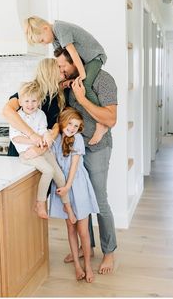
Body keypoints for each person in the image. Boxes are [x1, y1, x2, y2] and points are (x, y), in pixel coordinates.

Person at [54, 47, 118, 275]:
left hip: (98, 148)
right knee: (80, 201)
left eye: (63, 66)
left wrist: (82, 98)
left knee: (99, 201)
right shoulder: (70, 83)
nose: (61, 70)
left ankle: (108, 251)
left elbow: (111, 118)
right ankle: (86, 247)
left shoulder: (103, 80)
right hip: (76, 150)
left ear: (76, 61)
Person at [24, 16, 108, 146]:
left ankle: (101, 124)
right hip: (86, 60)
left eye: (42, 40)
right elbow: (62, 59)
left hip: (94, 57)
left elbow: (73, 54)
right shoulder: (55, 41)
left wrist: (81, 74)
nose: (43, 43)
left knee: (85, 84)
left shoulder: (59, 28)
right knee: (76, 83)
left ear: (45, 28)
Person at [9, 80, 76, 223]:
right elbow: (16, 138)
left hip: (42, 150)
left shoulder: (40, 115)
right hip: (27, 153)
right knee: (48, 171)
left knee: (59, 175)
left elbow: (43, 131)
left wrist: (46, 136)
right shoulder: (17, 117)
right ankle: (40, 203)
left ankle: (67, 205)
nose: (30, 104)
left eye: (34, 101)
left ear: (39, 101)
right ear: (20, 101)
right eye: (26, 101)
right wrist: (34, 140)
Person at [50, 107, 99, 283]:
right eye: (70, 123)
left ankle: (87, 265)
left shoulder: (77, 139)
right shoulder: (55, 139)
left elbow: (74, 166)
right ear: (63, 121)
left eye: (76, 126)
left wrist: (68, 186)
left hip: (76, 184)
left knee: (83, 231)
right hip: (61, 184)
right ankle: (77, 266)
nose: (72, 128)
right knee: (70, 227)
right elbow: (55, 166)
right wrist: (62, 188)